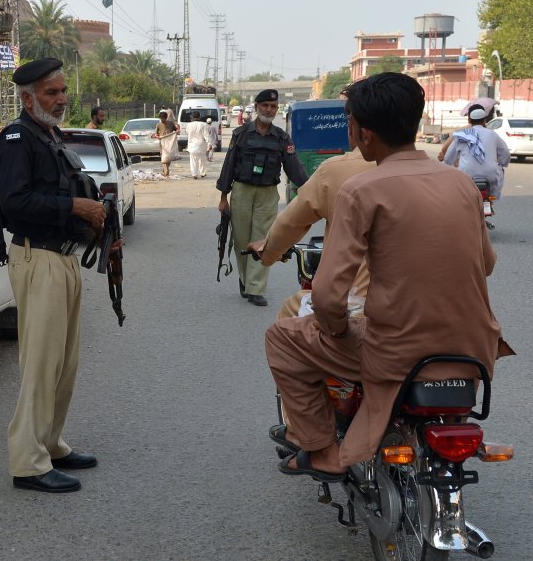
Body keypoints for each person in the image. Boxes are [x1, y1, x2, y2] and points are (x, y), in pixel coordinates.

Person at [265, 72, 514, 480]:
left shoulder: (361, 189)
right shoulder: (462, 185)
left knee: (282, 339)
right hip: (473, 348)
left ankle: (323, 451)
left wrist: (340, 332)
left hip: (396, 353)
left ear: (363, 133)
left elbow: (328, 296)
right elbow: (486, 264)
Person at [0, 57, 105, 494]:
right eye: (50, 93)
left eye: (61, 91)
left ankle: (51, 443)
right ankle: (28, 462)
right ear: (27, 97)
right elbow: (15, 204)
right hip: (37, 259)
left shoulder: (49, 135)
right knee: (41, 364)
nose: (60, 100)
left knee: (64, 362)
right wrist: (75, 208)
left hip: (64, 258)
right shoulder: (18, 139)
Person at [248, 120, 374, 319]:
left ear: (354, 128)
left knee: (286, 325)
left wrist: (268, 251)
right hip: (431, 309)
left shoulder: (336, 171)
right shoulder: (440, 178)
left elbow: (291, 224)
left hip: (363, 304)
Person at [216, 89, 308, 307]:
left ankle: (255, 289)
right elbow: (229, 165)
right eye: (265, 105)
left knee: (262, 240)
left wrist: (307, 191)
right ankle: (245, 279)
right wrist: (223, 196)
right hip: (242, 191)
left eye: (273, 106)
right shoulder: (240, 134)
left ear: (277, 110)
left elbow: (294, 167)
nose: (269, 110)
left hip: (267, 194)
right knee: (241, 238)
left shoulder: (282, 137)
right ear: (257, 107)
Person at [442, 100, 510, 198]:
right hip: (490, 176)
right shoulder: (493, 134)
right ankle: (492, 198)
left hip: (466, 177)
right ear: (484, 120)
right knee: (500, 171)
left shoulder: (462, 135)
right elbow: (506, 155)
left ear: (469, 120)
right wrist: (502, 163)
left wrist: (451, 163)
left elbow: (448, 159)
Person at [184, 111, 210, 179]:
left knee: (193, 161)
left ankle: (194, 174)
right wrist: (209, 144)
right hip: (201, 145)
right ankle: (202, 173)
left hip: (192, 146)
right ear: (199, 116)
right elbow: (206, 135)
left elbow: (187, 132)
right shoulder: (204, 125)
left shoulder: (189, 125)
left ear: (192, 117)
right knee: (202, 160)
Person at [153, 109, 178, 176]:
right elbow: (156, 134)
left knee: (168, 156)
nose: (162, 120)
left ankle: (165, 169)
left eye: (163, 118)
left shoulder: (170, 123)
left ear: (166, 118)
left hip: (169, 143)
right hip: (162, 142)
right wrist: (157, 136)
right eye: (161, 118)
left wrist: (177, 132)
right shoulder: (158, 124)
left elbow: (176, 130)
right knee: (163, 156)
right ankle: (166, 171)